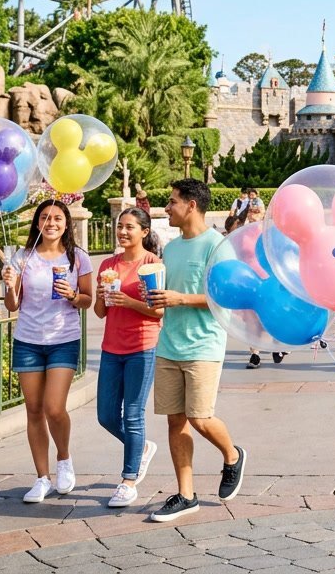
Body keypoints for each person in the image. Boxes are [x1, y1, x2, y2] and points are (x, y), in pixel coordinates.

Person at [149, 179, 247, 522]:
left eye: (172, 201)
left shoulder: (217, 246)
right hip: (169, 344)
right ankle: (185, 494)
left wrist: (181, 299)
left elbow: (227, 299)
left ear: (191, 205)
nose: (167, 208)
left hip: (204, 345)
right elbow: (167, 296)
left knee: (199, 417)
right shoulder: (172, 249)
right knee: (175, 420)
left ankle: (232, 455)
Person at [1, 200, 94, 503]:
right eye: (44, 218)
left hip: (63, 340)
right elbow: (13, 305)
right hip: (28, 340)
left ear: (66, 223)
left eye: (56, 218)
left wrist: (74, 295)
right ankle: (42, 478)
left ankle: (64, 459)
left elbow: (88, 301)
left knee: (54, 407)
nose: (50, 223)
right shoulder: (22, 258)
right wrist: (9, 285)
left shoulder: (77, 257)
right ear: (37, 223)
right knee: (34, 411)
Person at [93, 207, 164, 508]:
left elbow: (158, 311)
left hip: (142, 346)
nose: (123, 232)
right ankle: (143, 447)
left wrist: (129, 301)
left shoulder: (153, 264)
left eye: (130, 227)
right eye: (120, 226)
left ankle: (128, 481)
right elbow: (100, 312)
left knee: (133, 414)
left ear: (144, 232)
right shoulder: (108, 264)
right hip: (111, 347)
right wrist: (101, 295)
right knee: (106, 415)